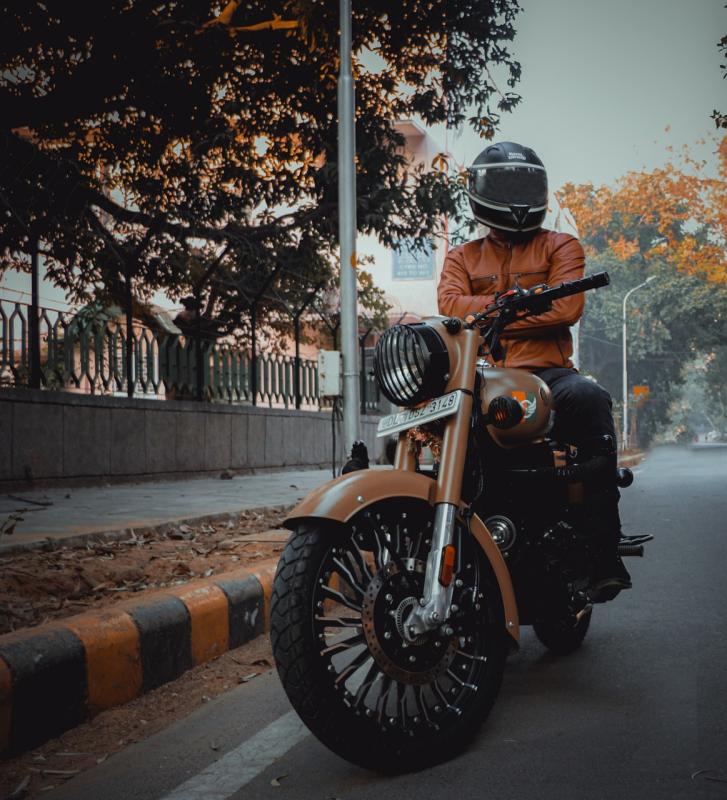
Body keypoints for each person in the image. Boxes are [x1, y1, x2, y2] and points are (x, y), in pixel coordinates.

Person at [437, 140, 630, 603]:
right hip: (482, 376)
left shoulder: (562, 245)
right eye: (505, 183)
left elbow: (566, 306)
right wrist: (516, 303)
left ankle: (603, 548)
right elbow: (448, 306)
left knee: (591, 399)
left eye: (523, 183)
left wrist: (489, 310)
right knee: (426, 420)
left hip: (549, 375)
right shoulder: (462, 256)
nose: (515, 193)